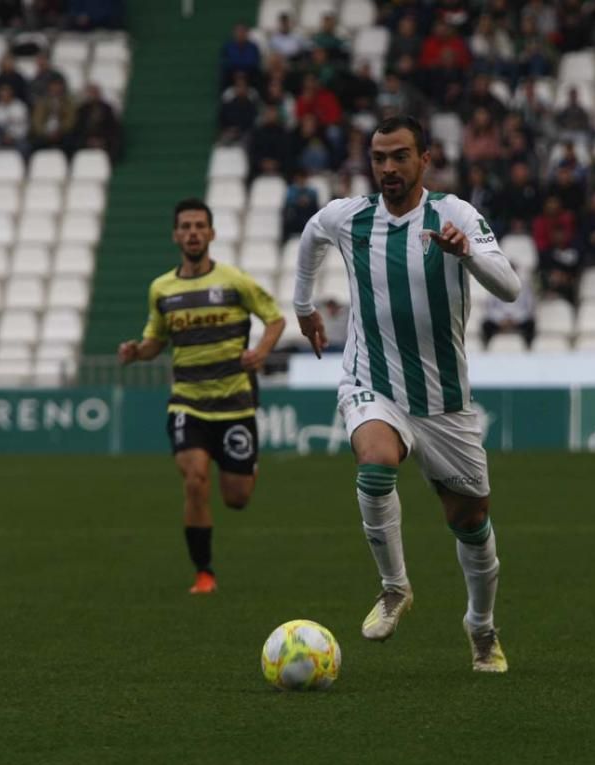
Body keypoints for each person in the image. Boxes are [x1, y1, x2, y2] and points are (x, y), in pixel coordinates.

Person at [294, 115, 520, 672]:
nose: (388, 168)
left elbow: (510, 288)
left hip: (444, 401)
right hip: (372, 382)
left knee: (470, 522)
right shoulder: (350, 217)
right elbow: (310, 236)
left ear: (426, 158)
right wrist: (302, 306)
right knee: (374, 464)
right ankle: (395, 587)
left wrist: (466, 253)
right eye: (379, 158)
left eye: (399, 157)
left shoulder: (456, 214)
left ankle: (481, 628)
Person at [117, 199, 286, 594]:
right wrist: (136, 353)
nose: (192, 232)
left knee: (237, 498)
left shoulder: (233, 281)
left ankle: (248, 468)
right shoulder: (161, 289)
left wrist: (261, 353)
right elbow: (155, 341)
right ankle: (204, 572)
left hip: (235, 402)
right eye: (186, 226)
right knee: (194, 480)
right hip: (187, 403)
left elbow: (274, 319)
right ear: (176, 235)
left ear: (211, 233)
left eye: (199, 226)